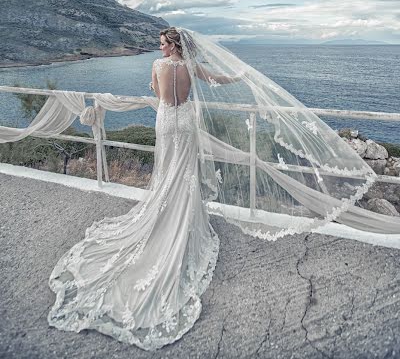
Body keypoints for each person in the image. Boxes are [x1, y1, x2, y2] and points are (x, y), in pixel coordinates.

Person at [48, 26, 400, 350]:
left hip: (164, 122)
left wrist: (159, 87)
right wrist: (241, 75)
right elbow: (218, 80)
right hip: (185, 122)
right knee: (184, 173)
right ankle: (182, 218)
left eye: (162, 42)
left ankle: (162, 212)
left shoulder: (157, 66)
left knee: (166, 170)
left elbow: (156, 93)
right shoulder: (192, 66)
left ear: (171, 45)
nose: (159, 47)